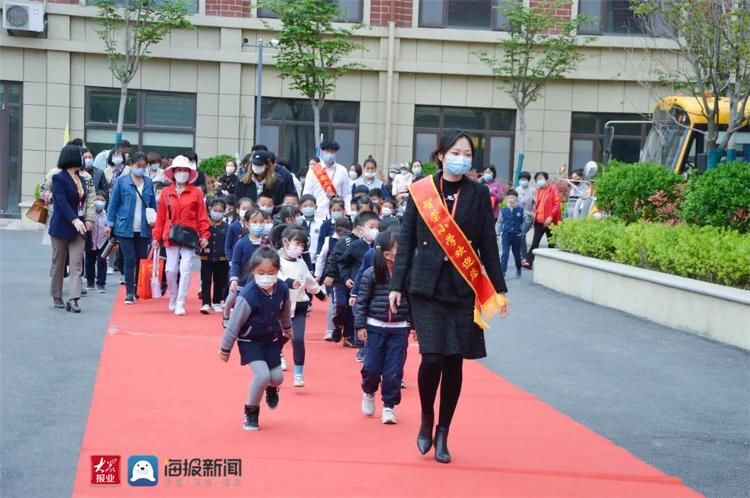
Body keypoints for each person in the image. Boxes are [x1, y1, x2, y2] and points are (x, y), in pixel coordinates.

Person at [390, 130, 508, 464]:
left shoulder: (478, 194)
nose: (463, 157)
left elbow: (488, 243)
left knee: (454, 361)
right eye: (456, 151)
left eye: (468, 153)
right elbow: (406, 244)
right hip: (426, 287)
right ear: (441, 155)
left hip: (461, 288)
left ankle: (443, 431)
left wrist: (499, 288)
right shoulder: (421, 192)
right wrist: (397, 285)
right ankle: (426, 416)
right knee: (432, 358)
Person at [218, 247, 293, 431]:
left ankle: (271, 388)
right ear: (253, 271)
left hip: (271, 338)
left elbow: (285, 310)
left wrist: (288, 328)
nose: (266, 277)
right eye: (261, 273)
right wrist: (225, 349)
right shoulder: (248, 296)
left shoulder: (282, 288)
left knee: (277, 378)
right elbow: (234, 324)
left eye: (271, 273)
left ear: (277, 271)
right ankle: (251, 413)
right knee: (262, 375)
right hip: (250, 340)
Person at [356, 230, 410, 424]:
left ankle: (389, 406)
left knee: (393, 371)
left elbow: (413, 301)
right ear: (387, 254)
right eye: (399, 248)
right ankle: (369, 391)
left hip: (399, 328)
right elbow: (362, 301)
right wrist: (360, 325)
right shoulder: (371, 274)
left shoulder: (407, 274)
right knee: (371, 368)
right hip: (375, 327)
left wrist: (415, 325)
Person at [152, 155, 211, 316]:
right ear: (173, 172)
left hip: (190, 235)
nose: (182, 173)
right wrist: (156, 237)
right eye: (179, 170)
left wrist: (204, 235)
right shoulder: (166, 192)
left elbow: (202, 216)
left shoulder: (196, 193)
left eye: (185, 170)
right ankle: (173, 296)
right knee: (170, 270)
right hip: (170, 235)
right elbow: (160, 217)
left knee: (185, 269)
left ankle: (180, 301)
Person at [278, 226, 326, 388]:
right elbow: (278, 277)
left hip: (299, 306)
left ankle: (298, 373)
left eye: (302, 245)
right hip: (281, 307)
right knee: (280, 335)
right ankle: (277, 353)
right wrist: (290, 282)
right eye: (296, 243)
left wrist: (319, 294)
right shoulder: (276, 260)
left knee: (297, 338)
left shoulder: (301, 263)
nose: (299, 247)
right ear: (286, 242)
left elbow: (310, 281)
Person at [106, 152, 157, 304]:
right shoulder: (121, 182)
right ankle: (129, 292)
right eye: (138, 166)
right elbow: (113, 204)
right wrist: (110, 224)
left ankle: (137, 289)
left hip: (144, 227)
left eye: (143, 166)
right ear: (131, 165)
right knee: (129, 259)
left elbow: (153, 206)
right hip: (124, 226)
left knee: (140, 259)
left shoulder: (148, 183)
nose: (141, 168)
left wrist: (155, 222)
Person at [49, 145, 94, 312]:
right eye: (81, 157)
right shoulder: (58, 178)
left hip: (79, 227)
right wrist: (74, 219)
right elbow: (61, 202)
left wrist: (88, 219)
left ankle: (73, 299)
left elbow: (86, 201)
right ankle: (57, 296)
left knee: (76, 263)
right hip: (61, 225)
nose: (84, 160)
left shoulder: (82, 179)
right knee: (58, 263)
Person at [336, 211, 380, 361]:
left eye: (377, 227)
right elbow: (342, 262)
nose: (375, 230)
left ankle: (371, 345)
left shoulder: (379, 247)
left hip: (375, 286)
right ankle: (360, 345)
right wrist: (346, 277)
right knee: (359, 314)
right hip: (358, 285)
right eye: (371, 227)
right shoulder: (355, 245)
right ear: (361, 229)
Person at [225, 208, 266, 328]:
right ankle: (227, 315)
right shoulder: (241, 243)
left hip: (260, 281)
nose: (258, 225)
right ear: (247, 224)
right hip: (242, 280)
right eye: (255, 222)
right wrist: (234, 279)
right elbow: (236, 262)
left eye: (261, 222)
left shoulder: (266, 243)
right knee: (233, 298)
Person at [303, 142, 353, 219]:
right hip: (317, 213)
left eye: (332, 152)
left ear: (336, 153)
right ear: (322, 152)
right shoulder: (313, 170)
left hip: (336, 213)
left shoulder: (342, 170)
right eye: (327, 151)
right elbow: (307, 192)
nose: (329, 154)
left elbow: (346, 194)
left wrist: (347, 211)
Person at [523, 171, 561, 270]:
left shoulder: (553, 189)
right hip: (539, 221)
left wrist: (551, 216)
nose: (539, 181)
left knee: (551, 243)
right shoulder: (538, 190)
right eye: (537, 179)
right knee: (535, 242)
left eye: (541, 178)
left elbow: (557, 205)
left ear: (546, 179)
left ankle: (553, 263)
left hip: (550, 221)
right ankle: (529, 261)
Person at [200, 198, 230, 314]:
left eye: (220, 211)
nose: (217, 213)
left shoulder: (226, 227)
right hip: (206, 257)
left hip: (222, 258)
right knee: (206, 280)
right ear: (209, 209)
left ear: (224, 212)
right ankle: (206, 303)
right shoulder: (204, 225)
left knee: (220, 281)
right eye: (215, 210)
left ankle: (216, 301)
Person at [86, 191, 109, 293]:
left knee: (102, 262)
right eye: (97, 199)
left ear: (106, 202)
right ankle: (90, 282)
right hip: (90, 241)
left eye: (102, 200)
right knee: (89, 261)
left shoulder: (107, 214)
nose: (99, 202)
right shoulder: (89, 213)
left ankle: (101, 283)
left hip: (103, 241)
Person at [499, 190, 524, 278]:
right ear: (506, 199)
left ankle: (518, 269)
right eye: (509, 197)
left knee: (517, 254)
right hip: (506, 235)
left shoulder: (520, 210)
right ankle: (503, 272)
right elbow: (499, 222)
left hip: (516, 236)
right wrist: (498, 233)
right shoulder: (503, 210)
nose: (511, 199)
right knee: (504, 254)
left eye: (513, 198)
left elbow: (525, 221)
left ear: (517, 199)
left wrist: (522, 231)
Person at [514, 171, 535, 262]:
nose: (523, 181)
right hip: (519, 216)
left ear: (528, 180)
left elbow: (536, 204)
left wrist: (533, 213)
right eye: (521, 179)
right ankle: (522, 256)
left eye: (525, 179)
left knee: (521, 235)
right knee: (520, 236)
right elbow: (514, 202)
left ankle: (524, 256)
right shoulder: (517, 189)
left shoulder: (533, 190)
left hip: (528, 218)